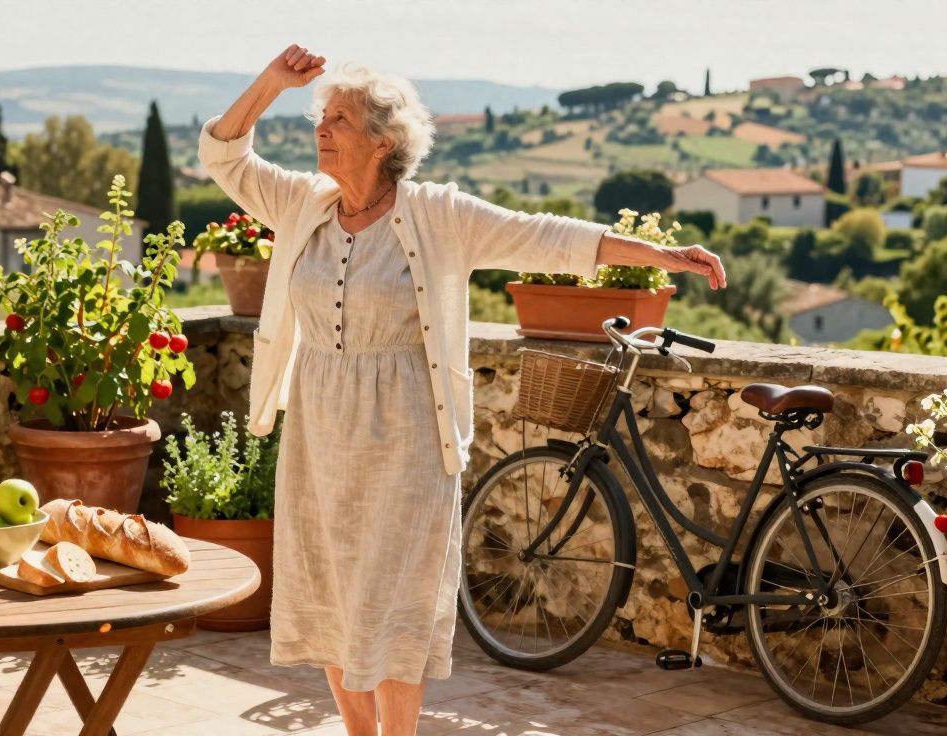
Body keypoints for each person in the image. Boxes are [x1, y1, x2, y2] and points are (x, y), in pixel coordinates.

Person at [198, 44, 727, 736]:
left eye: (338, 120)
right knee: (332, 588)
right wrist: (272, 82)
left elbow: (543, 237)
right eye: (320, 117)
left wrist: (657, 256)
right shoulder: (302, 203)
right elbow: (223, 154)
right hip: (321, 428)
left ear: (382, 142)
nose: (321, 129)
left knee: (397, 598)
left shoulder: (437, 216)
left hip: (410, 431)